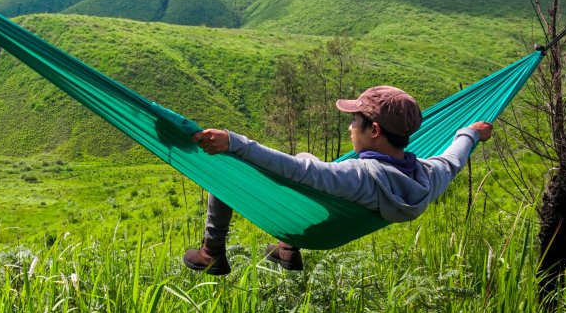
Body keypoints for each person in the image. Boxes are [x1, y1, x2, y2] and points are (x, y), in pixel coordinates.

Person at [182, 84, 494, 274]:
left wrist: (236, 143)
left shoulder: (358, 177)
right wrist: (471, 133)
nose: (349, 128)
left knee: (224, 170)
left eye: (355, 122)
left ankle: (212, 251)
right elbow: (453, 160)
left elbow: (297, 172)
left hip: (311, 222)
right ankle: (286, 249)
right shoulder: (426, 176)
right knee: (306, 157)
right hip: (329, 223)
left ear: (374, 131)